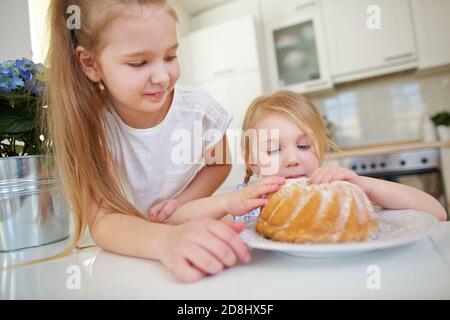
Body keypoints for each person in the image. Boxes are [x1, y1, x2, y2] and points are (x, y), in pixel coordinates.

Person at [45, 0, 284, 283]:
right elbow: (104, 222)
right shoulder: (94, 126)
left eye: (170, 56)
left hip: (190, 231)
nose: (161, 77)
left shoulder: (199, 110)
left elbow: (219, 164)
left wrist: (179, 204)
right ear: (90, 63)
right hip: (131, 251)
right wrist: (166, 240)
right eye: (139, 63)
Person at [159, 90, 447, 224]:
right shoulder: (244, 202)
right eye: (273, 150)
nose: (292, 160)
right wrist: (227, 203)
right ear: (252, 161)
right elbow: (177, 221)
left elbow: (436, 211)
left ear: (320, 149)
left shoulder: (335, 192)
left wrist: (363, 184)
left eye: (304, 146)